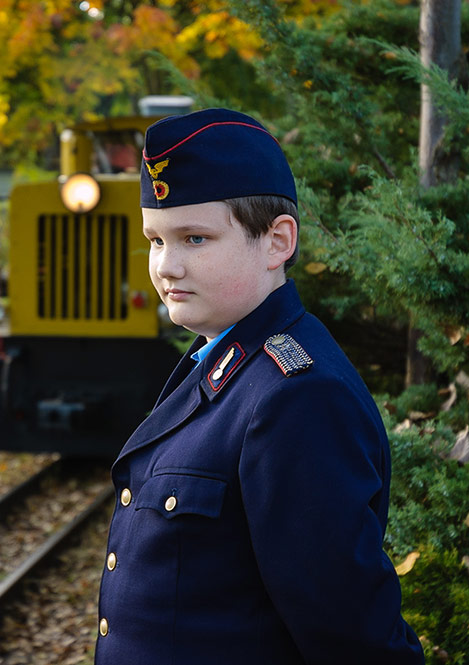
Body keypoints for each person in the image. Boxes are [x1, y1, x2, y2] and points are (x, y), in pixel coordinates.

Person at [94, 108, 425, 664]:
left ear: (277, 242)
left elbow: (352, 637)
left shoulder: (296, 397)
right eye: (156, 241)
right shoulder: (225, 360)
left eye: (194, 238)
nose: (167, 266)